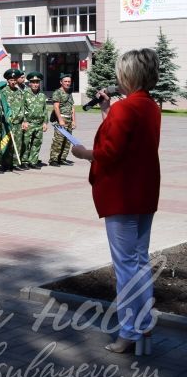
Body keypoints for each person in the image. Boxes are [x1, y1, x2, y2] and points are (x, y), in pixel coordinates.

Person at [71, 49, 160, 356]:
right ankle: (145, 321)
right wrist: (108, 112)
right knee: (139, 260)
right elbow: (127, 141)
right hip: (144, 191)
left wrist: (83, 153)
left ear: (129, 74)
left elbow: (110, 153)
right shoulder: (149, 105)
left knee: (125, 267)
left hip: (122, 193)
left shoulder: (127, 108)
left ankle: (129, 331)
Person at [22, 72, 48, 168]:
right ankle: (24, 161)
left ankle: (33, 161)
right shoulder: (25, 94)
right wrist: (24, 121)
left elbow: (45, 109)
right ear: (29, 83)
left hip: (39, 124)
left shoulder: (42, 95)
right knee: (26, 143)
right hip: (29, 123)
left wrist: (45, 122)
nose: (35, 84)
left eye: (37, 82)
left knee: (37, 143)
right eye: (33, 82)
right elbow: (22, 108)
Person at [49, 73, 75, 166]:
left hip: (69, 119)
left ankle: (62, 158)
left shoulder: (69, 93)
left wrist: (74, 120)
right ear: (61, 82)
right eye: (65, 81)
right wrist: (60, 120)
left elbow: (72, 107)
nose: (67, 83)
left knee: (67, 140)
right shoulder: (57, 92)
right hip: (61, 118)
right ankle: (54, 160)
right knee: (58, 140)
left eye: (69, 81)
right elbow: (56, 107)